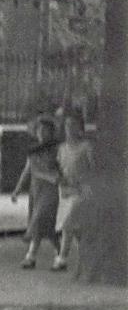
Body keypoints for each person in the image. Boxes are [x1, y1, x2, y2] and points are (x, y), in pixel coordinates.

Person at [11, 114, 61, 269]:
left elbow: (61, 168)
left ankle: (31, 254)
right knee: (46, 224)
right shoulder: (33, 151)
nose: (43, 133)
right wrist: (17, 190)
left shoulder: (56, 149)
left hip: (51, 189)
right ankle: (60, 252)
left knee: (40, 218)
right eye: (40, 130)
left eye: (46, 130)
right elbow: (27, 171)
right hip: (36, 189)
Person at [54, 108, 95, 273]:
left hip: (82, 190)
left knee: (69, 222)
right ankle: (84, 256)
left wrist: (87, 183)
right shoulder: (62, 148)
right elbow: (59, 167)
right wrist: (60, 179)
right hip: (66, 190)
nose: (69, 128)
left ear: (80, 127)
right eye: (67, 125)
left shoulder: (86, 147)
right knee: (72, 226)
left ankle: (62, 258)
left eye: (73, 125)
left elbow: (93, 169)